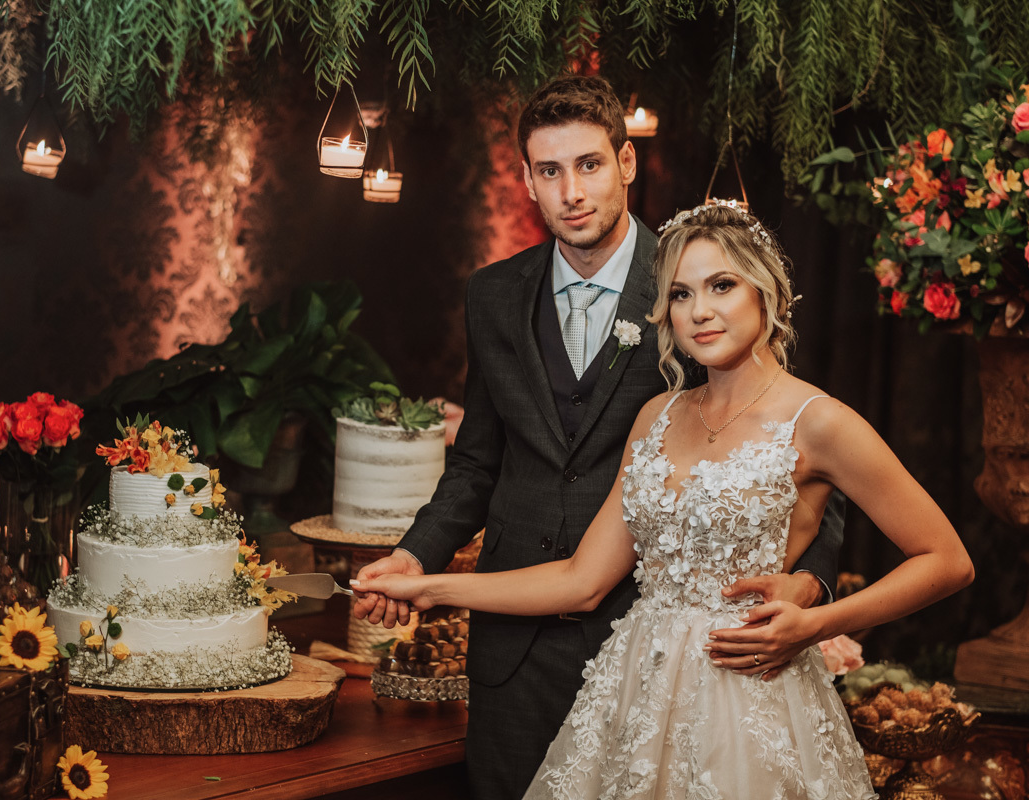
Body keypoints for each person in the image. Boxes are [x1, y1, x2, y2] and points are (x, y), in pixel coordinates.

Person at [354, 200, 974, 798]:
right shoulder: (658, 415)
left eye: (722, 286)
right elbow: (580, 581)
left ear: (768, 295)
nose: (700, 311)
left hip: (748, 699)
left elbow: (946, 560)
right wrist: (427, 587)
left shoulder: (818, 421)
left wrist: (815, 626)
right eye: (681, 294)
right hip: (636, 698)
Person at [351, 75, 845, 800]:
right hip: (512, 648)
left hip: (650, 648)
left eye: (588, 165)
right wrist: (413, 555)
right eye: (549, 172)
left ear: (625, 164)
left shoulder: (693, 285)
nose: (571, 191)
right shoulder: (492, 295)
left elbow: (786, 448)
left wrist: (814, 579)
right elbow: (478, 460)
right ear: (527, 181)